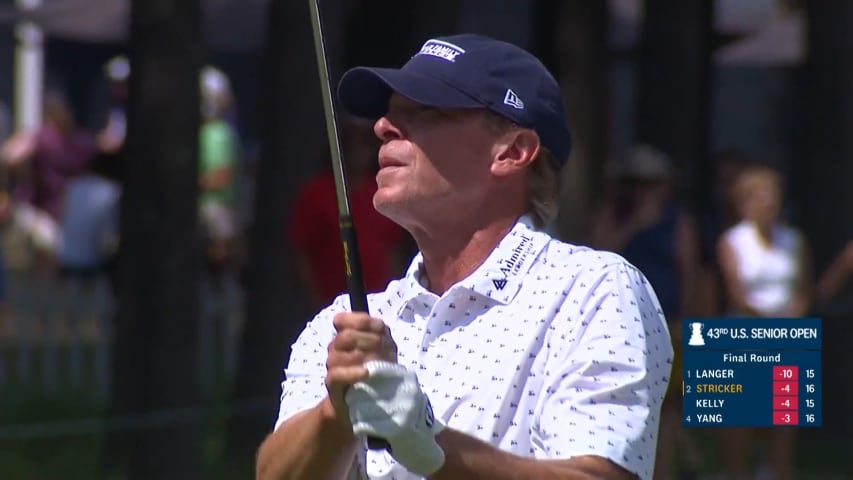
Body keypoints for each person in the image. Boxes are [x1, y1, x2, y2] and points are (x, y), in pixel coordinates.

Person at [256, 34, 672, 480]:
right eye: (390, 111)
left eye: (427, 111)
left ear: (512, 152)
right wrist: (336, 413)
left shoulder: (593, 289)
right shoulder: (347, 322)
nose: (383, 126)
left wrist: (430, 443)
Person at [589, 145, 702, 480]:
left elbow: (690, 271)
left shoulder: (678, 221)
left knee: (666, 408)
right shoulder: (613, 214)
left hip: (667, 323)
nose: (643, 191)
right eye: (636, 183)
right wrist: (635, 224)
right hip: (620, 322)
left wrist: (686, 317)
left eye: (650, 184)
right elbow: (598, 253)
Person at [716, 164, 813, 480]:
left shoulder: (794, 240)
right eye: (760, 197)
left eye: (772, 197)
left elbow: (802, 288)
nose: (768, 204)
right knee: (739, 430)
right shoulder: (732, 241)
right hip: (743, 337)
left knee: (783, 427)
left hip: (788, 338)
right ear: (744, 203)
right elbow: (736, 293)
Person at [288, 118, 411, 313]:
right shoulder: (316, 193)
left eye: (364, 144)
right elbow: (301, 253)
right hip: (331, 305)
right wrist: (315, 299)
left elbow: (392, 249)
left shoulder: (381, 191)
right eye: (352, 144)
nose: (359, 152)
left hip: (380, 304)